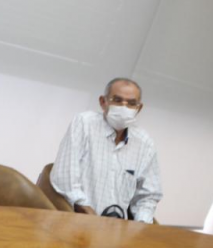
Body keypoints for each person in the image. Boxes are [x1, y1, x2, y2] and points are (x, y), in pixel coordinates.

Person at [49, 78, 162, 223]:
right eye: (117, 100)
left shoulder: (144, 142)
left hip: (118, 229)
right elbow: (64, 177)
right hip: (77, 220)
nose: (124, 107)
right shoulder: (85, 123)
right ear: (103, 102)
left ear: (139, 108)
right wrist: (85, 208)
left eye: (131, 103)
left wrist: (141, 225)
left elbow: (148, 195)